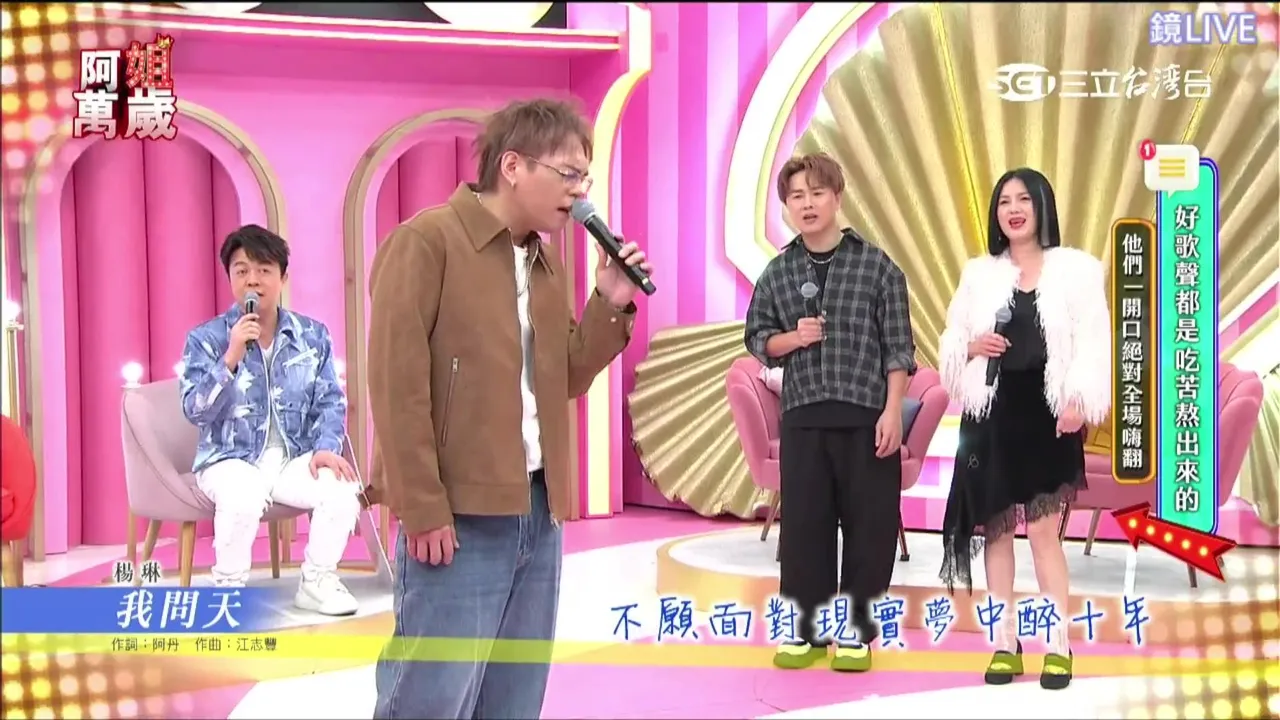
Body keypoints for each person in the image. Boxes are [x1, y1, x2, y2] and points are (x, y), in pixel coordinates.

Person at [367, 98, 652, 720]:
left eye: (585, 178)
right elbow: (396, 387)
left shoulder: (544, 262)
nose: (580, 193)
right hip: (459, 516)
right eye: (568, 174)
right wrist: (422, 507)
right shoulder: (426, 243)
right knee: (430, 698)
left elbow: (565, 377)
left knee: (513, 699)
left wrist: (609, 302)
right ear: (514, 166)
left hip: (538, 509)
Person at [936, 168, 1111, 690]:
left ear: (1041, 206)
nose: (1012, 210)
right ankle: (1003, 643)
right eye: (1004, 202)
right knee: (996, 530)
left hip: (1047, 415)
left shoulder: (1076, 270)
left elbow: (1093, 342)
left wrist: (1078, 400)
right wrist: (972, 346)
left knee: (1041, 532)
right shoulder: (978, 274)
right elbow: (952, 340)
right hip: (989, 414)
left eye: (1023, 200)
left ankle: (1058, 646)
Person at [743, 152, 917, 673]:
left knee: (870, 527)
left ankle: (857, 634)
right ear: (786, 207)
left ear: (837, 197)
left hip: (866, 418)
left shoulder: (878, 266)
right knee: (804, 528)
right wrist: (793, 338)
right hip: (803, 417)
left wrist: (892, 411)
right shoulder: (778, 272)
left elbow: (899, 350)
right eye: (796, 196)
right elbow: (757, 340)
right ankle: (805, 632)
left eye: (817, 193)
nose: (807, 204)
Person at [179, 225, 361, 614]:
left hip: (292, 459)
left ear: (282, 278)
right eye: (242, 270)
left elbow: (331, 399)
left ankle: (317, 582)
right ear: (230, 278)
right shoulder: (206, 339)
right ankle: (227, 591)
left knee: (342, 489)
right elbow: (195, 410)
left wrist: (326, 448)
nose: (253, 280)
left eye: (263, 270)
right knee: (242, 496)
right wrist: (230, 357)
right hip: (229, 458)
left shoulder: (312, 336)